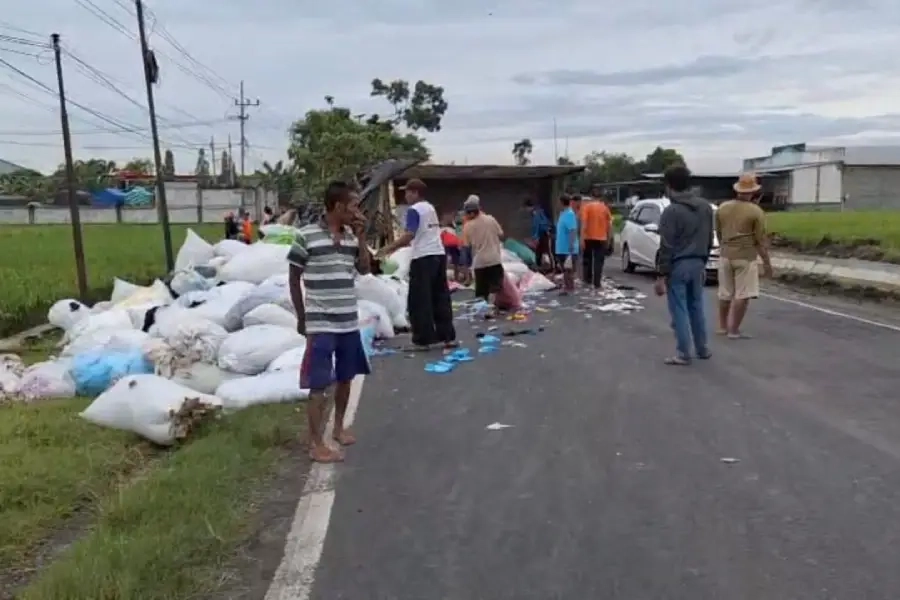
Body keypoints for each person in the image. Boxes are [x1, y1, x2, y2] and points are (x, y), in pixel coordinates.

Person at [288, 181, 372, 463]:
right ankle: (316, 443)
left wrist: (361, 238)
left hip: (348, 320)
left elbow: (364, 269)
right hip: (321, 322)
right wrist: (302, 317)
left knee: (346, 378)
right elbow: (293, 278)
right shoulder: (306, 236)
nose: (356, 212)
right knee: (319, 384)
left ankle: (337, 429)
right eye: (353, 206)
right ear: (337, 206)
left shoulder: (350, 237)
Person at [376, 178, 457, 351]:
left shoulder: (414, 210)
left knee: (419, 299)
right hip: (438, 254)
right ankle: (447, 336)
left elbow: (409, 236)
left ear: (415, 193)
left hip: (423, 257)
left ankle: (423, 339)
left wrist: (387, 249)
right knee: (440, 297)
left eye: (407, 192)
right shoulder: (430, 208)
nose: (405, 196)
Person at [654, 165, 714, 366]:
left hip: (679, 264)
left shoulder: (672, 211)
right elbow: (708, 238)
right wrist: (703, 262)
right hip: (698, 262)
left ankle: (683, 353)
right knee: (696, 306)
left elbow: (666, 246)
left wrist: (661, 275)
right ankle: (702, 349)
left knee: (679, 309)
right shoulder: (705, 207)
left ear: (669, 186)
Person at [715, 172, 773, 339]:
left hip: (725, 254)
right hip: (745, 256)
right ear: (753, 192)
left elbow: (718, 233)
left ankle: (722, 326)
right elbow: (759, 240)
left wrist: (724, 246)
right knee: (743, 294)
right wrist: (767, 263)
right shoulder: (756, 211)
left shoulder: (723, 208)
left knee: (725, 292)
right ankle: (734, 330)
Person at [461, 195, 505, 309]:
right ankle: (493, 307)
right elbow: (501, 234)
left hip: (479, 262)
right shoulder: (491, 219)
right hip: (494, 259)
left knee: (481, 289)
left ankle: (484, 309)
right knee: (495, 286)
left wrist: (467, 269)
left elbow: (467, 247)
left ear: (471, 213)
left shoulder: (467, 226)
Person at [579, 188, 613, 289]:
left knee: (587, 260)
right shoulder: (605, 208)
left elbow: (584, 223)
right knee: (598, 261)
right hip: (601, 238)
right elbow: (610, 225)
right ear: (600, 197)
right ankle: (597, 283)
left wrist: (581, 238)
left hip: (588, 238)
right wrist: (609, 239)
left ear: (591, 196)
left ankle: (588, 280)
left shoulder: (586, 207)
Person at [555, 195, 578, 294]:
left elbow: (572, 230)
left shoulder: (569, 214)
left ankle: (570, 288)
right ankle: (567, 288)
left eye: (558, 202)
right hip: (561, 248)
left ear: (561, 203)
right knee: (565, 270)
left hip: (567, 248)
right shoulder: (563, 214)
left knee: (568, 270)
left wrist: (571, 245)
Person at [526, 198, 553, 270]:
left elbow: (536, 225)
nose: (527, 210)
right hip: (544, 234)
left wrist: (535, 238)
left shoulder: (536, 213)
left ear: (529, 207)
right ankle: (544, 268)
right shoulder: (539, 211)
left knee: (543, 252)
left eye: (527, 208)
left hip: (543, 234)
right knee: (543, 252)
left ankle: (547, 268)